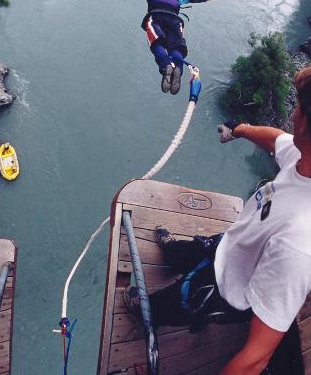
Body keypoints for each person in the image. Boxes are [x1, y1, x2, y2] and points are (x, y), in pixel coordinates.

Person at [124, 65, 311, 374]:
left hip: (225, 290)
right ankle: (175, 252)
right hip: (234, 245)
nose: (292, 115)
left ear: (305, 125)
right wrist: (239, 128)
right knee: (193, 249)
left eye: (299, 109)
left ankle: (144, 307)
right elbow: (278, 140)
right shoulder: (303, 155)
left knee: (175, 301)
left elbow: (255, 359)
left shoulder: (298, 247)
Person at [114, 0, 216, 95]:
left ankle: (166, 66)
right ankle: (177, 68)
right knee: (177, 47)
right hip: (174, 21)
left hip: (156, 17)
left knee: (156, 42)